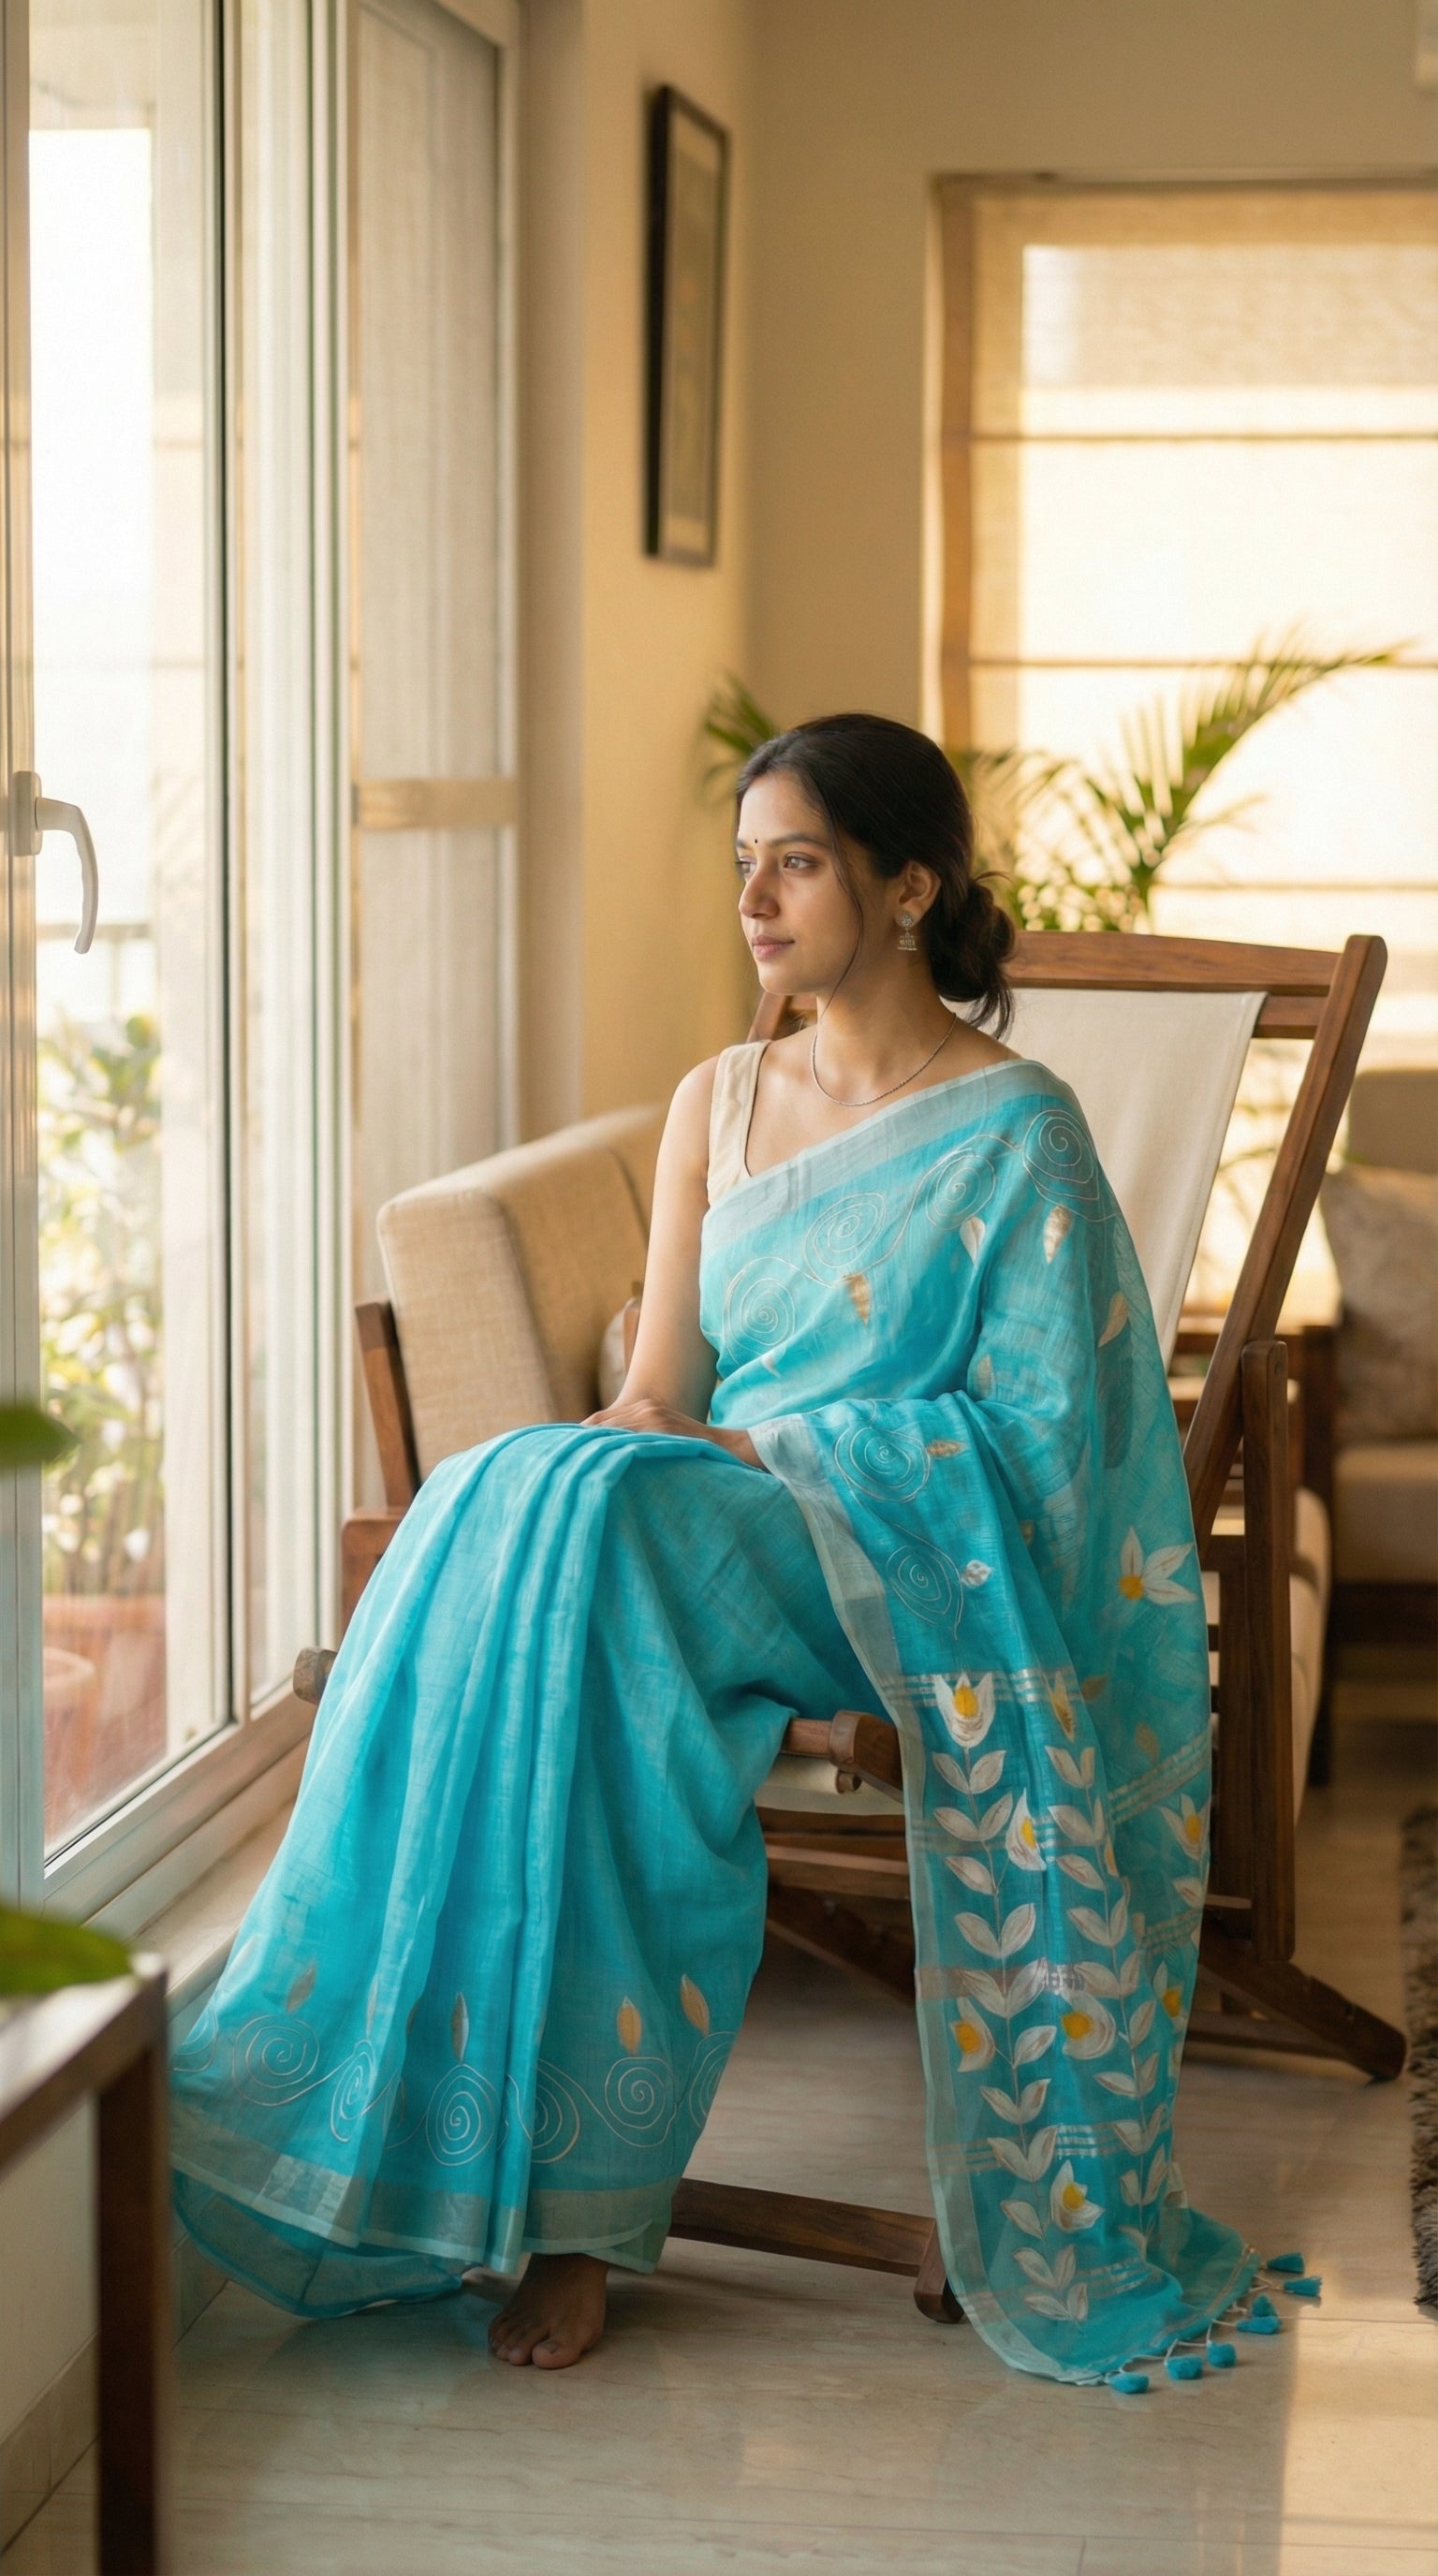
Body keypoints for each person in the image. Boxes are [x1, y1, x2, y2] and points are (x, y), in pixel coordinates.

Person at [172, 713, 1255, 2384]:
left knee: (577, 1513)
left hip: (892, 1578)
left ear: (909, 885)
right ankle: (524, 2191)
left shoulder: (1021, 1132)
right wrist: (597, 1472)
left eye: (797, 861)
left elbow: (1045, 1463)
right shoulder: (717, 1099)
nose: (754, 896)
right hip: (695, 1532)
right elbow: (658, 1386)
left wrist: (772, 1450)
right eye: (743, 863)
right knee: (520, 1506)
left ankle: (549, 2212)